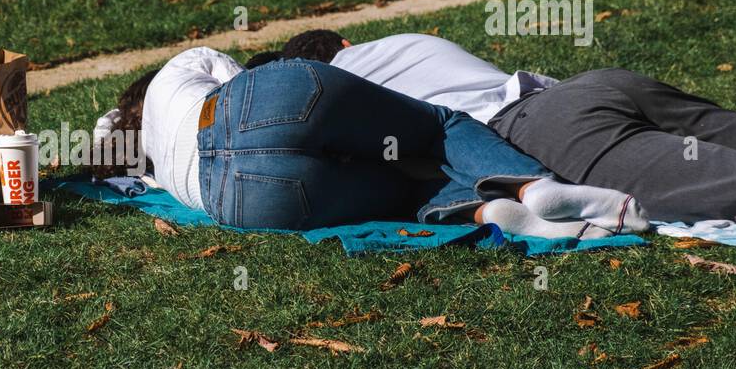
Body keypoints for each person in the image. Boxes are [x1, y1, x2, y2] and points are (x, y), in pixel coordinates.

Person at [100, 47, 647, 238]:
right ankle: (533, 186)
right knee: (436, 126)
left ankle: (489, 214)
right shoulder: (174, 74)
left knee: (404, 193)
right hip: (253, 106)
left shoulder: (162, 177)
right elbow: (241, 80)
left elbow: (108, 142)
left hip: (239, 197)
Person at [278, 30, 736, 224]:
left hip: (540, 133)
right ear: (346, 42)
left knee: (723, 184)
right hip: (592, 86)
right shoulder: (407, 41)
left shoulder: (336, 94)